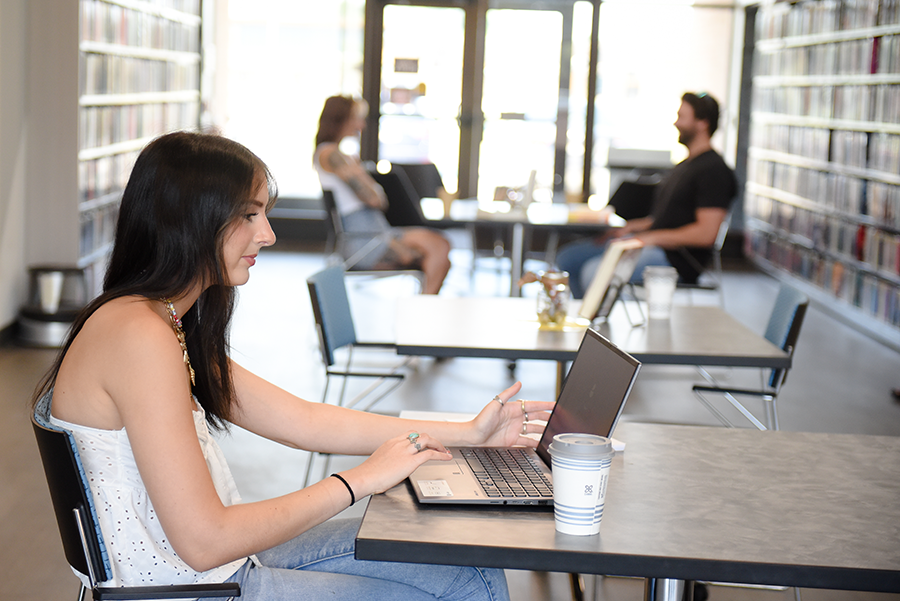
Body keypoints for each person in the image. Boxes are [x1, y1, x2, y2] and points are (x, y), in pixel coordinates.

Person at [32, 131, 554, 600]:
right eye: (250, 214)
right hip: (197, 588)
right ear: (193, 218)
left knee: (470, 570)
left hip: (217, 571)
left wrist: (467, 432)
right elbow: (204, 541)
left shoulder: (157, 320)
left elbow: (305, 420)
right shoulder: (139, 337)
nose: (269, 235)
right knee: (463, 582)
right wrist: (359, 481)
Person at [557, 92, 737, 298]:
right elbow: (668, 219)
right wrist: (633, 228)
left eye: (682, 117)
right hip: (653, 243)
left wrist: (647, 238)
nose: (676, 123)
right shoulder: (685, 167)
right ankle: (586, 321)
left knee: (594, 273)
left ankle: (596, 323)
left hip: (675, 258)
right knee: (569, 259)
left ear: (702, 123)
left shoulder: (714, 171)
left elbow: (706, 234)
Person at [314, 95, 451, 294]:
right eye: (356, 117)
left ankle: (423, 304)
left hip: (373, 233)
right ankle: (423, 306)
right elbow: (375, 199)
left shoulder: (338, 156)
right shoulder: (331, 154)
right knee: (439, 247)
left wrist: (359, 172)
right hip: (364, 240)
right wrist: (361, 173)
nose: (361, 124)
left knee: (441, 253)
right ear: (341, 118)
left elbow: (378, 200)